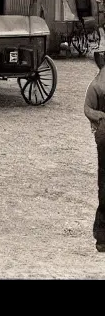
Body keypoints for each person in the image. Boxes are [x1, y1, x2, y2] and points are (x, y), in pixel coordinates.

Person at [84, 50, 105, 252]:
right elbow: (88, 109)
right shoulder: (98, 85)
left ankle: (101, 238)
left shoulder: (96, 83)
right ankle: (101, 238)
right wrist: (100, 117)